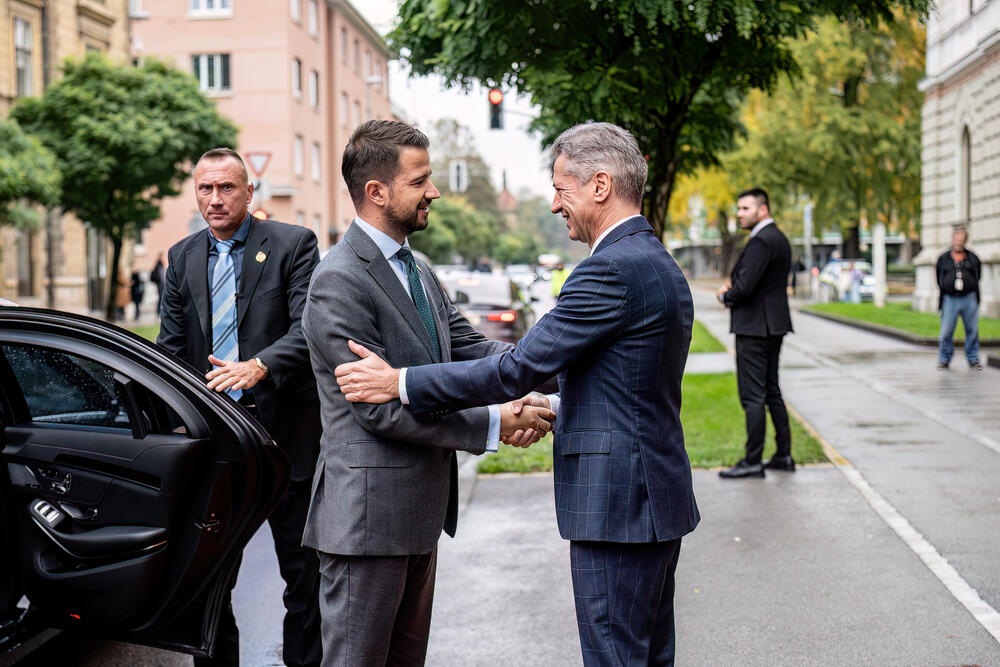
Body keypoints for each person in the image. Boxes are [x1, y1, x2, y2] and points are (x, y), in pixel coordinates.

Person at [335, 121, 700, 666]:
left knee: (616, 657)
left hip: (616, 505)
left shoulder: (608, 271)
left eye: (561, 188)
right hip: (648, 496)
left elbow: (520, 367)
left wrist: (400, 382)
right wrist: (551, 405)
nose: (555, 204)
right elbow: (617, 379)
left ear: (600, 185)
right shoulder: (653, 260)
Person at [300, 120, 555, 667]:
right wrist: (493, 424)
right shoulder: (338, 280)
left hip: (416, 516)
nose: (434, 192)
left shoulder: (417, 269)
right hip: (366, 524)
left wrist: (563, 366)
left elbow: (473, 350)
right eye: (420, 181)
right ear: (377, 192)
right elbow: (379, 411)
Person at [156, 148, 322, 667]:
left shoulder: (293, 244)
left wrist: (259, 366)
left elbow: (308, 330)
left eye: (227, 187)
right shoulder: (181, 256)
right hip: (218, 444)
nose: (215, 199)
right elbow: (170, 347)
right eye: (205, 188)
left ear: (250, 192)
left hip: (285, 441)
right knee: (208, 580)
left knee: (304, 577)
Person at [716, 188, 794, 479]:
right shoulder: (779, 238)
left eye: (745, 209)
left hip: (754, 327)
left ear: (763, 209)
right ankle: (783, 454)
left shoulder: (761, 240)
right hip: (774, 324)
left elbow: (745, 287)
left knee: (752, 396)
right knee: (772, 391)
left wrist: (725, 297)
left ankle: (752, 461)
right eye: (738, 209)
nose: (739, 214)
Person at [936, 227, 983, 371]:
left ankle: (973, 359)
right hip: (950, 298)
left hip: (969, 298)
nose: (959, 242)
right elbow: (938, 278)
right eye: (957, 239)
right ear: (952, 240)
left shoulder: (972, 258)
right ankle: (944, 359)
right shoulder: (943, 259)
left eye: (961, 240)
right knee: (946, 331)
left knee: (972, 330)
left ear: (965, 241)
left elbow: (978, 275)